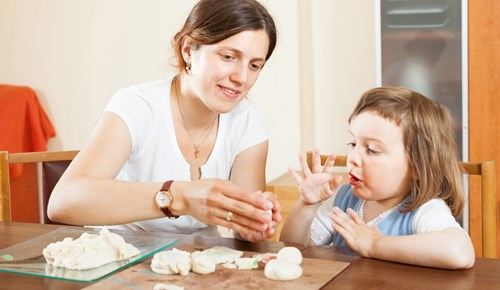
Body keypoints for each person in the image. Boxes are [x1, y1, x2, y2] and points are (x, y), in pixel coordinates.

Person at [48, 0, 281, 242]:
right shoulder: (137, 106)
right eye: (228, 56)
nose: (241, 77)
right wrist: (180, 196)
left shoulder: (248, 120)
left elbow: (244, 231)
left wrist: (255, 222)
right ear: (188, 50)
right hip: (119, 261)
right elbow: (63, 201)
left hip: (200, 267)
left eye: (254, 66)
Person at [280, 86, 475, 269]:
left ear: (417, 166)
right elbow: (294, 249)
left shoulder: (424, 208)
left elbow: (460, 252)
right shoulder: (343, 199)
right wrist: (306, 206)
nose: (353, 158)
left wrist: (374, 243)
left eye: (372, 150)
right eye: (353, 143)